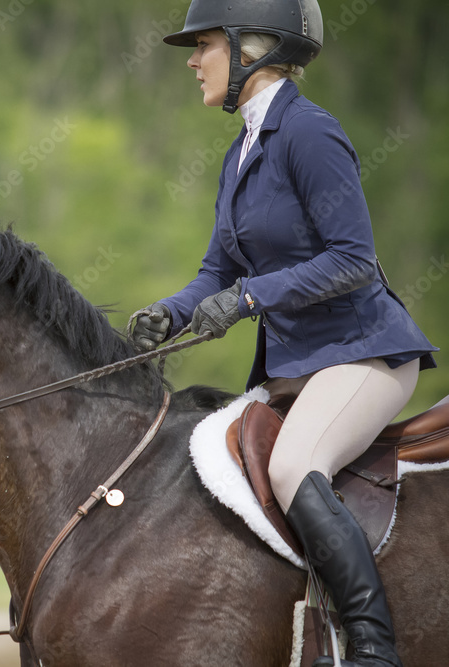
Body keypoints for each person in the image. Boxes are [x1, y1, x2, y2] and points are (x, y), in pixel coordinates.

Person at [129, 2, 438, 666]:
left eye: (204, 44)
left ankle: (374, 647)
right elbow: (217, 269)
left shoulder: (309, 133)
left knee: (294, 465)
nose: (192, 60)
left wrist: (249, 297)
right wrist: (172, 312)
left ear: (251, 49)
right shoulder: (242, 152)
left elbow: (353, 258)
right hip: (300, 365)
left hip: (364, 353)